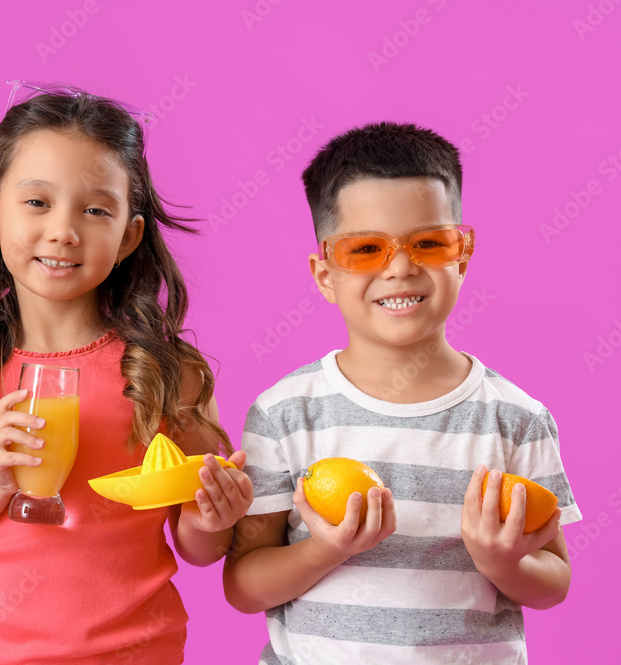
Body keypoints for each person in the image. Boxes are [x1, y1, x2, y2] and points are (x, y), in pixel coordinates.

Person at [0, 83, 253, 665]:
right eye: (37, 202)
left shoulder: (161, 373)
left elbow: (200, 549)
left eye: (96, 209)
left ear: (129, 235)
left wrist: (213, 516)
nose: (63, 231)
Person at [222, 121, 581, 664]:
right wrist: (326, 550)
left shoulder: (518, 418)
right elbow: (244, 586)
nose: (401, 267)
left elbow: (554, 581)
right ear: (324, 274)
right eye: (366, 249)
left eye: (429, 243)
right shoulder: (285, 414)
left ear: (462, 254)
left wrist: (503, 563)